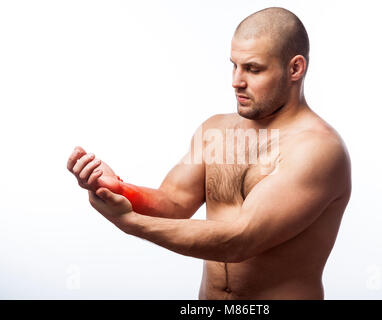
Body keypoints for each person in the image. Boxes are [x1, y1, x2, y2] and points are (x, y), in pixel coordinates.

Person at [67, 7, 351, 299]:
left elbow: (242, 240)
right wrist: (119, 189)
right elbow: (173, 203)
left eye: (253, 69)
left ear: (295, 69)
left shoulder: (318, 150)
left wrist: (130, 223)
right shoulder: (215, 131)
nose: (236, 81)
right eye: (234, 65)